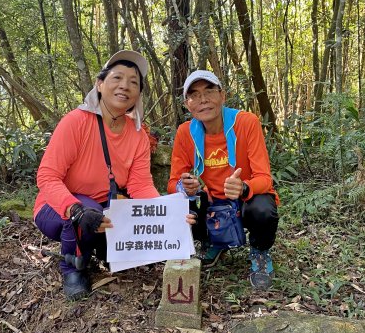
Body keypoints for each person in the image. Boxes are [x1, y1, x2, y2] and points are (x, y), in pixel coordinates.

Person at [34, 51, 193, 301]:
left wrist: (169, 213)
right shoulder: (76, 122)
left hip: (106, 208)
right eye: (117, 77)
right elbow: (47, 176)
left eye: (133, 82)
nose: (125, 86)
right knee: (87, 211)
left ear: (139, 93)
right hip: (57, 208)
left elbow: (140, 185)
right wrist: (75, 209)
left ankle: (100, 247)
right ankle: (73, 268)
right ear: (100, 84)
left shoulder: (139, 135)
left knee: (116, 226)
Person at [168, 70, 279, 289]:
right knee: (183, 206)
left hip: (243, 200)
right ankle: (215, 242)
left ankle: (259, 252)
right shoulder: (185, 133)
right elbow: (173, 183)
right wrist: (185, 187)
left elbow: (265, 178)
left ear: (222, 95)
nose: (203, 100)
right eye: (195, 95)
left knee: (263, 209)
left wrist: (244, 187)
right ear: (187, 104)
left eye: (209, 91)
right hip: (212, 203)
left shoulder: (246, 122)